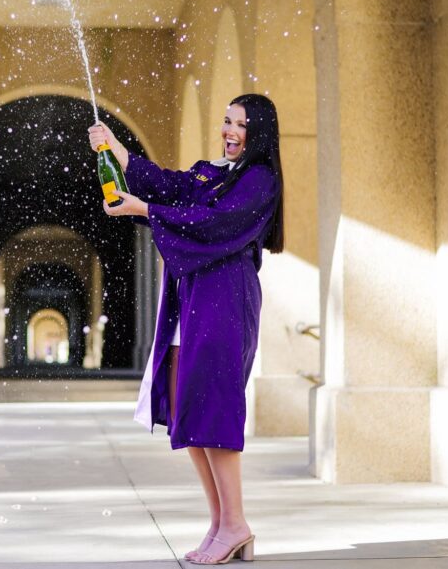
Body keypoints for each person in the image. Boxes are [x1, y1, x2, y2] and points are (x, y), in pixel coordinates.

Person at [87, 94, 284, 565]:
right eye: (227, 121)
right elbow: (172, 184)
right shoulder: (213, 172)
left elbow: (214, 224)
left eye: (242, 125)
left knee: (213, 409)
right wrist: (117, 148)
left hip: (225, 298)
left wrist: (145, 211)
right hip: (192, 298)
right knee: (187, 409)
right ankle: (221, 523)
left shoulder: (260, 181)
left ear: (260, 133)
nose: (230, 131)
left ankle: (235, 522)